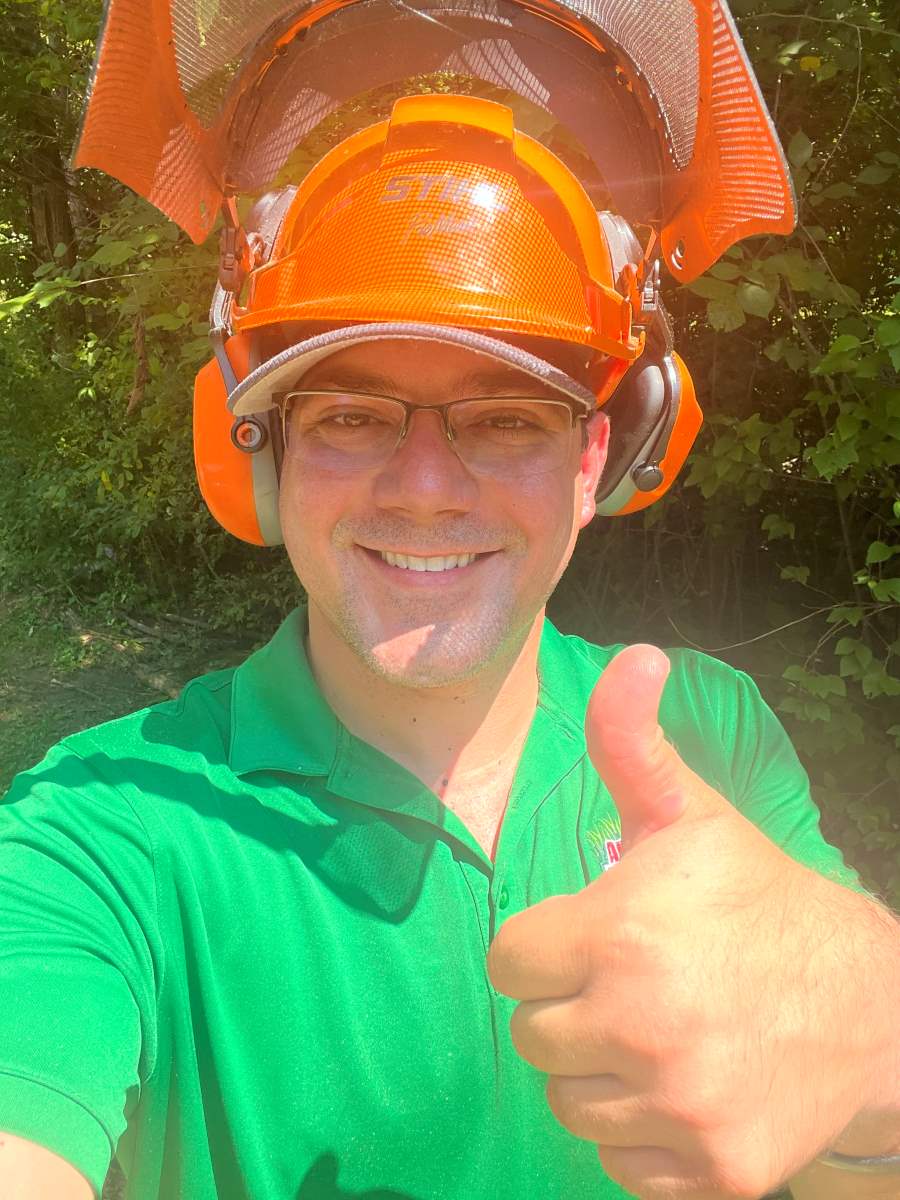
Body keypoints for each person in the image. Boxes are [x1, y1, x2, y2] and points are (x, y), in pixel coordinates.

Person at [1, 91, 898, 1200]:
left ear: (593, 464)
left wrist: (872, 1040)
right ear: (263, 464)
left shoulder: (706, 732)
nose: (425, 487)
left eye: (509, 416)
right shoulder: (103, 833)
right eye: (350, 414)